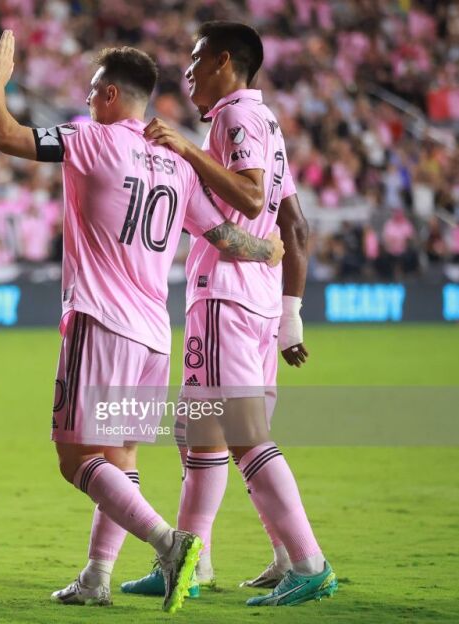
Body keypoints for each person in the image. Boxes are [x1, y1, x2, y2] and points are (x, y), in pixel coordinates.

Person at [0, 30, 284, 613]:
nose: (87, 99)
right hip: (154, 335)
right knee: (121, 460)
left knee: (78, 460)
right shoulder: (177, 161)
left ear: (111, 94)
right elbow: (224, 237)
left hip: (101, 322)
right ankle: (96, 576)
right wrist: (267, 250)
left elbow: (7, 136)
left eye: (93, 90)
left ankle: (171, 545)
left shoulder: (89, 138)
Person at [121, 21, 335, 607]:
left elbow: (249, 194)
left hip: (227, 295)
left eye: (196, 59)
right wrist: (288, 315)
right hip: (255, 298)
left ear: (222, 61)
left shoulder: (234, 119)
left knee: (240, 435)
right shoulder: (265, 123)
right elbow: (294, 223)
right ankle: (193, 561)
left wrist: (186, 148)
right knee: (199, 431)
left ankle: (309, 562)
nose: (187, 71)